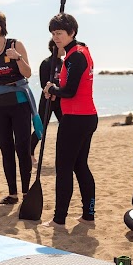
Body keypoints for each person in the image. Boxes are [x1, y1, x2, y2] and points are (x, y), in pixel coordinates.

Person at [0, 10, 40, 206]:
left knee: (22, 147)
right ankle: (12, 194)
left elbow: (28, 73)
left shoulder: (15, 45)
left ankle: (26, 192)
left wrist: (18, 57)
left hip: (20, 102)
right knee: (6, 150)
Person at [42, 13, 97, 227]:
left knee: (64, 168)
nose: (56, 38)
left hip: (75, 119)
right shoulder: (81, 51)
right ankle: (88, 215)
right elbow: (74, 87)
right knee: (80, 166)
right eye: (53, 34)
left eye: (60, 33)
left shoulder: (75, 56)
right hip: (86, 117)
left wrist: (52, 89)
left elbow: (71, 90)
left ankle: (59, 220)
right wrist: (57, 91)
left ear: (72, 33)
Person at [30, 40, 63, 165]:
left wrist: (59, 93)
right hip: (47, 99)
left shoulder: (64, 63)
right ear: (54, 47)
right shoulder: (46, 63)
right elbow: (43, 83)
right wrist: (51, 93)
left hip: (60, 99)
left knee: (65, 126)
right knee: (41, 127)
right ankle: (30, 152)